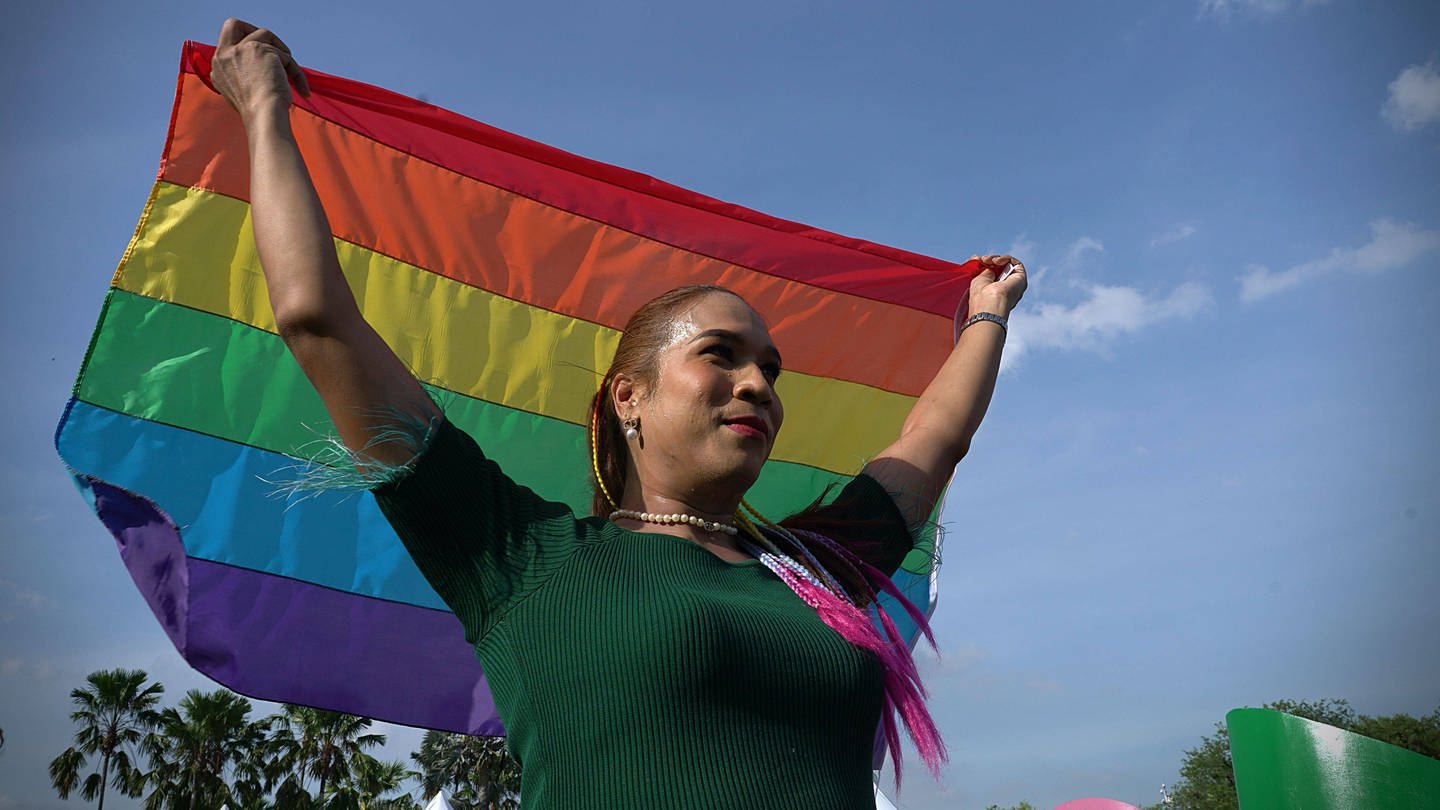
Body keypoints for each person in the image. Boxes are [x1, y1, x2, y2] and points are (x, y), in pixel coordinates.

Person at [210, 18, 1026, 810]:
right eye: (721, 355)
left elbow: (935, 439)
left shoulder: (819, 569)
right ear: (628, 396)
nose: (758, 385)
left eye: (771, 370)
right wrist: (264, 112)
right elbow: (319, 322)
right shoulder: (518, 558)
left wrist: (988, 312)